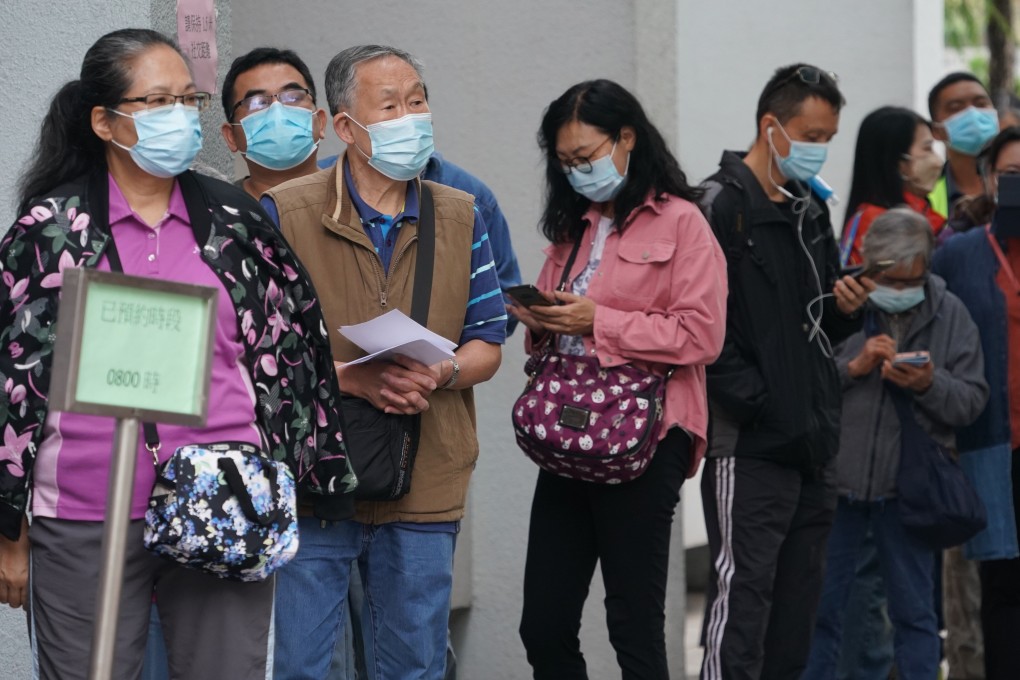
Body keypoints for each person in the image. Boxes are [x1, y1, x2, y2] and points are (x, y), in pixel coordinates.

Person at [0, 28, 350, 679]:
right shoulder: (52, 233)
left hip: (224, 499)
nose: (181, 116)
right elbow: (13, 384)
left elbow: (291, 359)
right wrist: (10, 529)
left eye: (189, 100)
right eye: (158, 101)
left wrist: (299, 478)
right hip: (86, 510)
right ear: (104, 121)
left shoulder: (235, 222)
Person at [264, 45, 505, 680]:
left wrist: (442, 371)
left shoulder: (461, 212)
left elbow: (487, 340)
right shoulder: (285, 212)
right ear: (345, 127)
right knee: (303, 666)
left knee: (415, 666)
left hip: (426, 473)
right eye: (391, 106)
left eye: (418, 101)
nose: (411, 118)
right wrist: (346, 378)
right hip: (316, 477)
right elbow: (255, 350)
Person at [508, 78, 726, 680]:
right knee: (543, 625)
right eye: (566, 162)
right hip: (570, 430)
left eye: (586, 155)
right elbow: (559, 326)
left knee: (633, 623)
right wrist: (542, 321)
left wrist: (598, 320)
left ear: (626, 137)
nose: (578, 171)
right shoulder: (573, 226)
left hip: (648, 434)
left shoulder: (683, 222)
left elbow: (701, 335)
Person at [697, 63, 872, 680]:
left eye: (829, 138)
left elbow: (818, 323)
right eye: (811, 135)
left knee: (796, 620)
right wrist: (760, 401)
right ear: (771, 126)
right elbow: (700, 330)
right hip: (750, 446)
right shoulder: (717, 206)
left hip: (813, 446)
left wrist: (846, 308)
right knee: (741, 608)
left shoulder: (810, 209)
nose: (819, 149)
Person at [803, 208, 989, 680]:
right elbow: (802, 387)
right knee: (820, 611)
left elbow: (972, 399)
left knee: (915, 615)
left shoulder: (950, 313)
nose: (901, 291)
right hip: (837, 485)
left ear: (927, 268)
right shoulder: (839, 305)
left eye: (912, 281)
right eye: (890, 281)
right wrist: (853, 368)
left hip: (909, 491)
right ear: (869, 265)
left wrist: (929, 383)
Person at [932, 126, 1020, 680]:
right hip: (991, 446)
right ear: (988, 180)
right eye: (1011, 175)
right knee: (1003, 587)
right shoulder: (960, 256)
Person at [839, 106, 946, 266]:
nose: (937, 161)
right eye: (927, 148)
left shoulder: (920, 211)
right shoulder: (878, 223)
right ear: (900, 163)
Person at [220, 47, 328, 200]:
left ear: (321, 121)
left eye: (293, 97)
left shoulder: (356, 200)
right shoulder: (219, 210)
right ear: (231, 136)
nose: (277, 110)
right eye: (257, 103)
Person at [928, 72, 998, 219]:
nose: (972, 113)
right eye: (956, 108)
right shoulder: (926, 197)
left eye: (981, 104)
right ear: (936, 131)